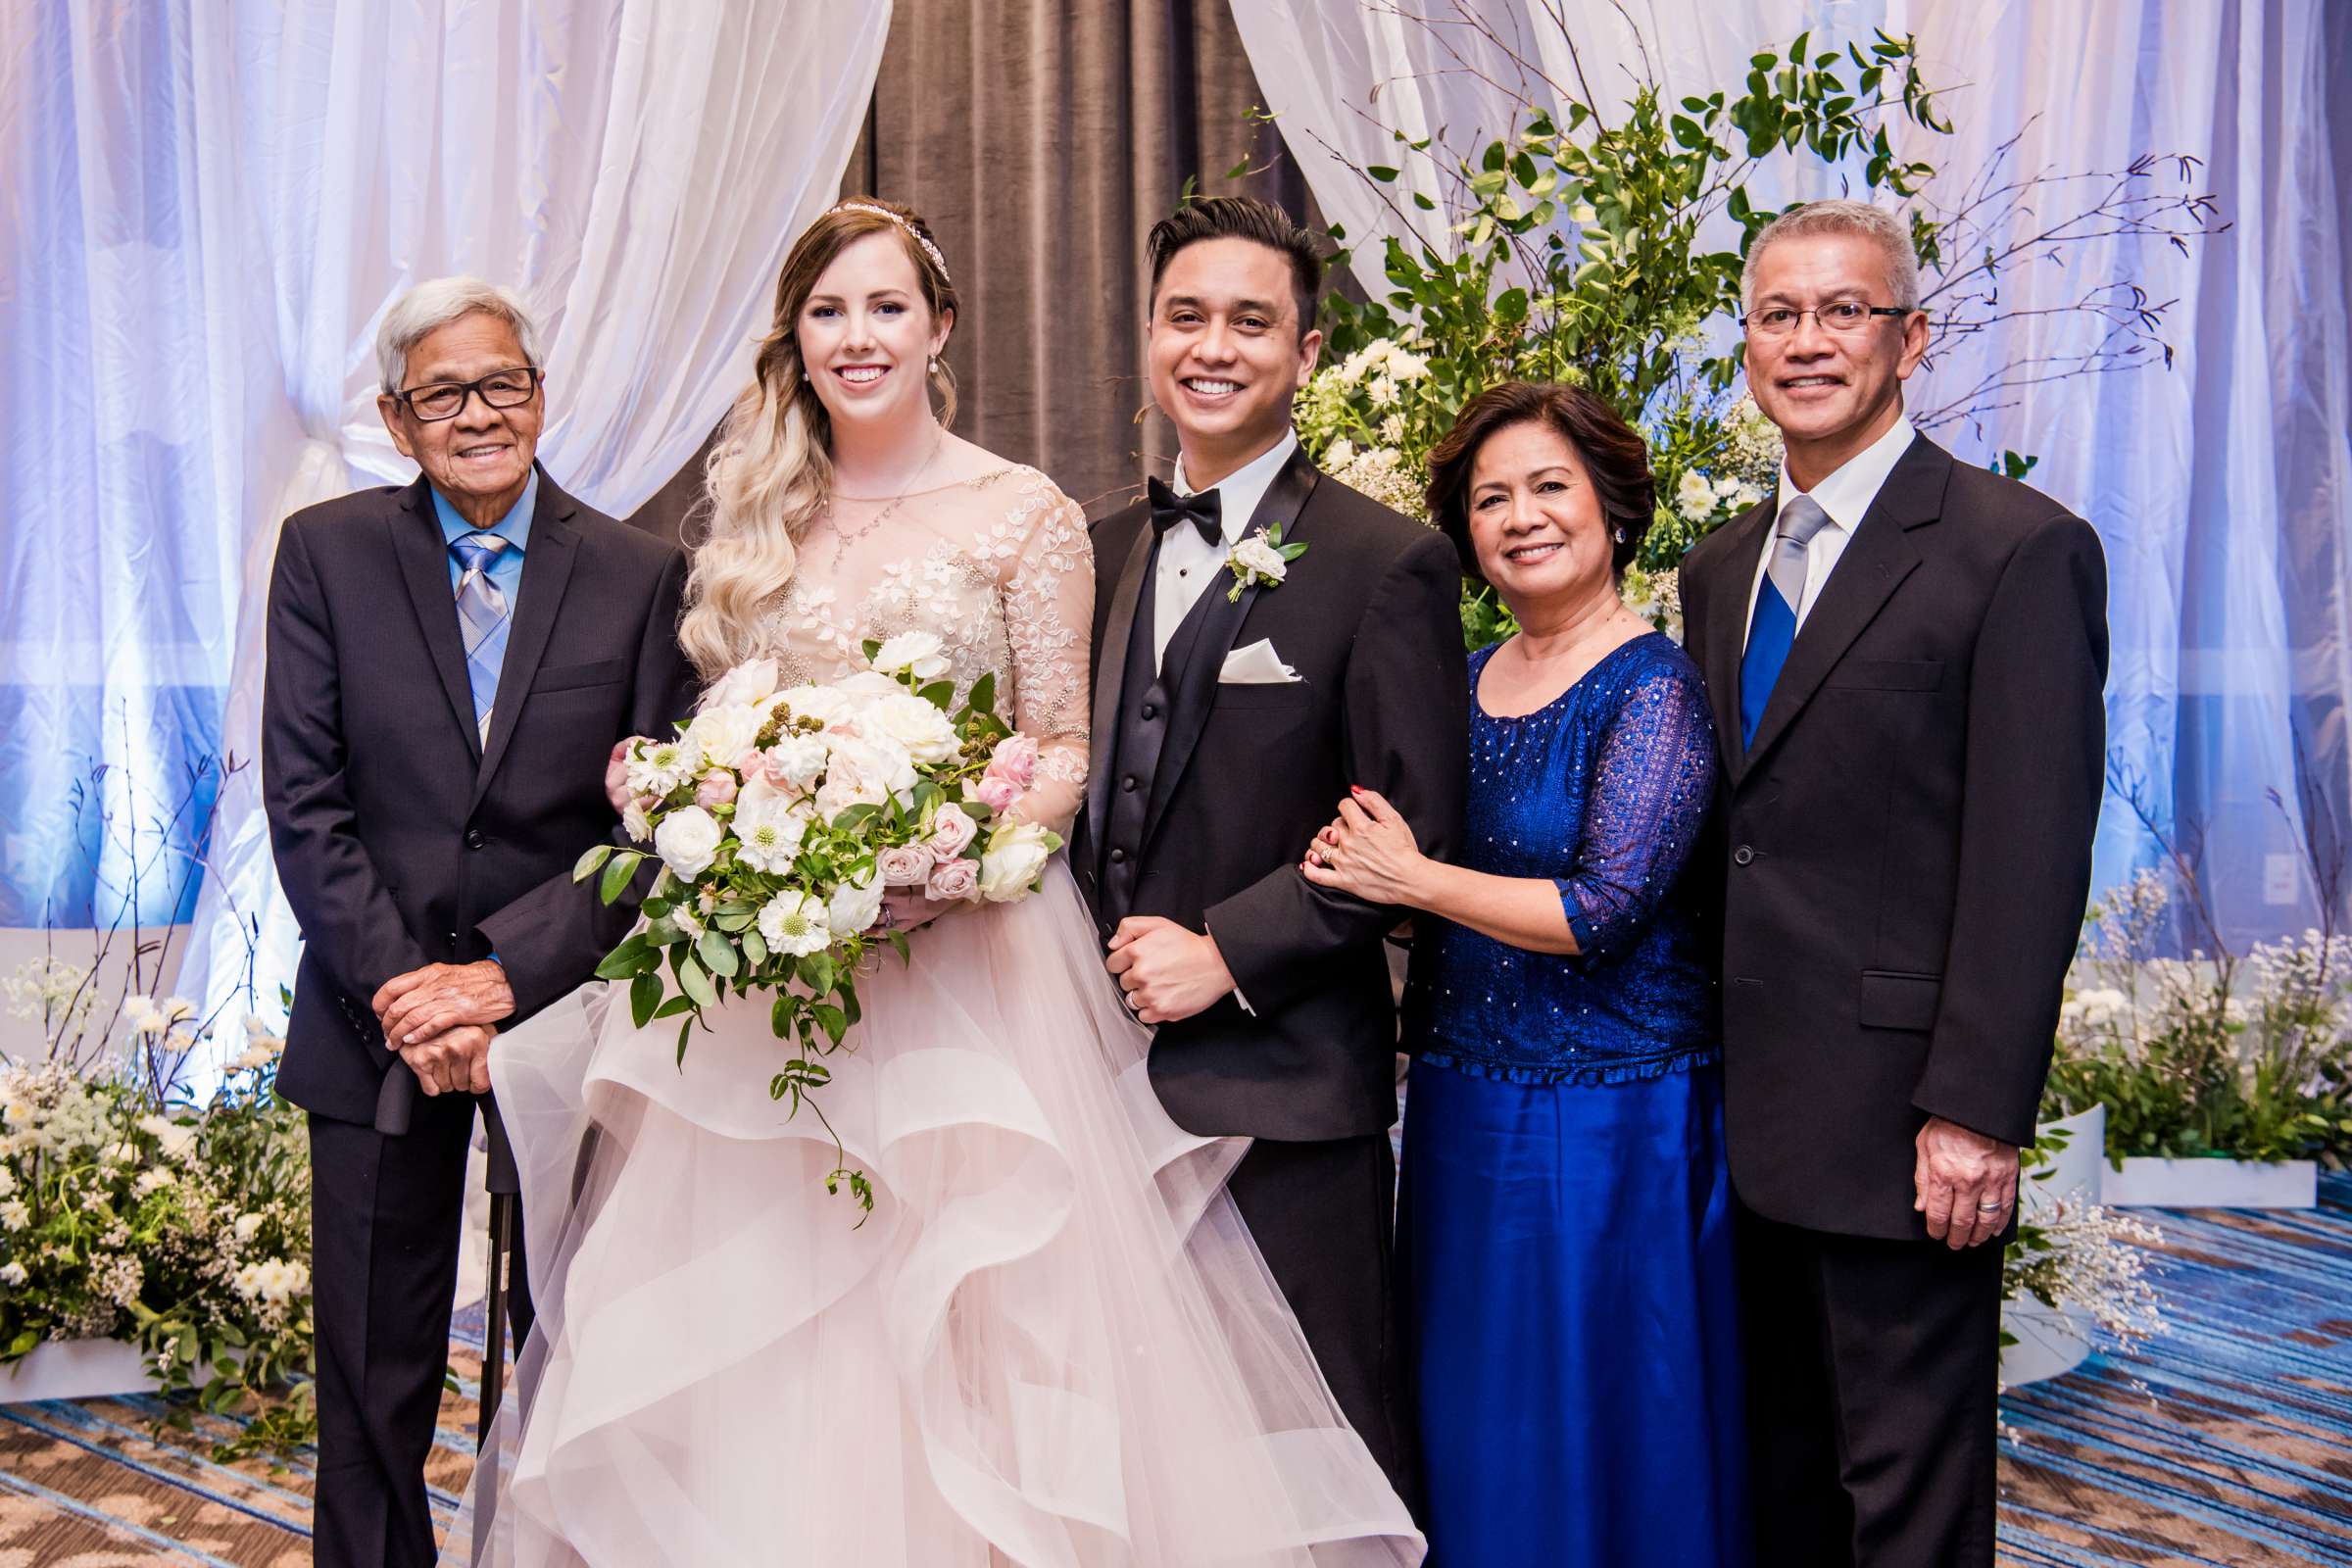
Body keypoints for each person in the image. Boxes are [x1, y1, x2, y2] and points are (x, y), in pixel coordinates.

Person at [462, 199, 1424, 1566]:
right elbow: (730, 729)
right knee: (765, 1334)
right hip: (778, 986)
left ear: (940, 327)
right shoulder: (756, 515)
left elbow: (1060, 747)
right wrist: (705, 814)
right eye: (828, 311)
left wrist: (944, 858)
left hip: (967, 971)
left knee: (978, 1322)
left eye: (886, 307)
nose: (858, 336)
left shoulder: (1023, 514)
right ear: (797, 339)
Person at [1677, 199, 2108, 1567]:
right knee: (1782, 1486)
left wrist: (1975, 1112)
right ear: (1747, 347)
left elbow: (2029, 854)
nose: (1810, 341)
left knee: (1909, 1508)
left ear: (1912, 336)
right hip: (1732, 1116)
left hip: (1903, 1128)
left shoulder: (2014, 549)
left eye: (1844, 312)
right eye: (1780, 314)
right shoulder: (1716, 569)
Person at [262, 276, 697, 1568]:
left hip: (567, 1019)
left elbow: (650, 830)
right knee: (371, 1383)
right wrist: (413, 994)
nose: (478, 413)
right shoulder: (327, 555)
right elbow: (306, 803)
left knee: (572, 1361)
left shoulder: (638, 573)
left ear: (541, 397)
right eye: (443, 392)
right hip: (371, 1022)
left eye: (500, 382)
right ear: (400, 422)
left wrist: (498, 981)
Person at [1302, 380, 1746, 1566]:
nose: (1521, 516)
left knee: (1596, 1416)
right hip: (1458, 1102)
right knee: (1470, 1412)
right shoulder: (1462, 677)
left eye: (1550, 486)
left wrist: (1411, 882)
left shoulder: (1654, 688)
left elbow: (1604, 906)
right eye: (1490, 497)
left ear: (1610, 505)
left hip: (1615, 1117)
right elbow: (1392, 852)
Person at [1071, 196, 1470, 1504]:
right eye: (1186, 316)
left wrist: (1225, 951)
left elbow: (1411, 837)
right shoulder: (1096, 550)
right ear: (1149, 339)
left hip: (1287, 1090)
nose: (1214, 345)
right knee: (1140, 1459)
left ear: (1305, 355)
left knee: (1317, 1464)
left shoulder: (1385, 561)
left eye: (1252, 321)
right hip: (1099, 1091)